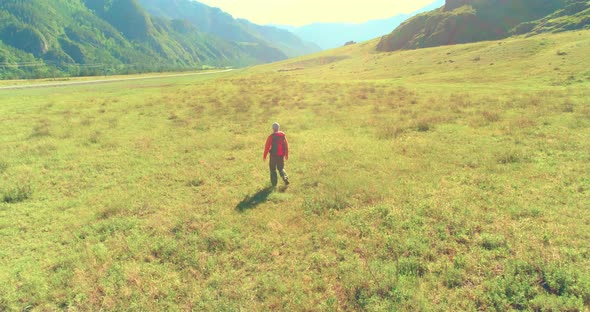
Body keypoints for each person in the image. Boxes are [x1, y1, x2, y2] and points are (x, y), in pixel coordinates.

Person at [263, 122, 290, 187]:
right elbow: (286, 145)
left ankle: (274, 184)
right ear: (278, 128)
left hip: (273, 156)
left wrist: (265, 156)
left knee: (272, 169)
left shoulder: (271, 136)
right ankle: (285, 177)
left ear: (273, 128)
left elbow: (267, 147)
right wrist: (286, 154)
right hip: (281, 155)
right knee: (281, 168)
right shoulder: (283, 135)